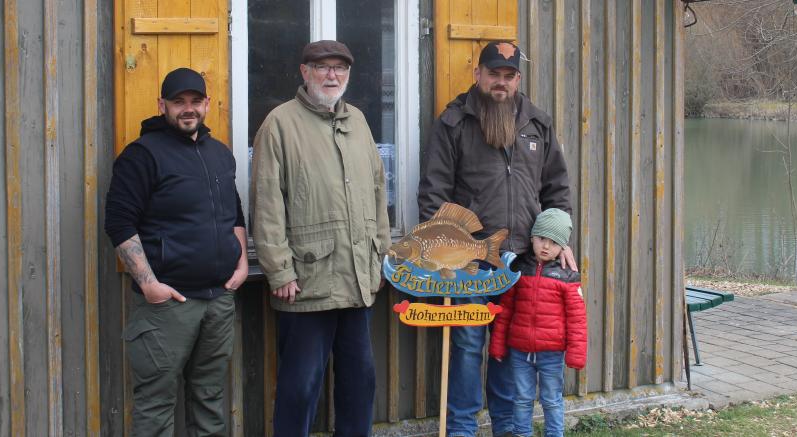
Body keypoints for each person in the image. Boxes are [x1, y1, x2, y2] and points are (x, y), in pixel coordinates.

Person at [418, 40, 574, 437]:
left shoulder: (537, 123)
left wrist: (559, 238)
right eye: (493, 75)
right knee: (468, 348)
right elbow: (433, 194)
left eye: (508, 76)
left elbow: (556, 189)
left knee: (511, 350)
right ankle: (461, 430)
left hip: (523, 260)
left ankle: (507, 428)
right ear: (478, 74)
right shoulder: (453, 123)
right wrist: (443, 254)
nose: (500, 84)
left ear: (517, 79)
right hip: (470, 265)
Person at [250, 40, 391, 437]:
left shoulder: (359, 121)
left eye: (340, 68)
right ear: (304, 72)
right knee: (300, 386)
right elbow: (266, 203)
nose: (332, 75)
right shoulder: (280, 123)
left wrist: (381, 257)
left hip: (357, 279)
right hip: (306, 282)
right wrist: (279, 270)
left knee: (360, 381)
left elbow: (379, 194)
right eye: (323, 67)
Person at [104, 67, 247, 436]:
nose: (188, 109)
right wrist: (150, 285)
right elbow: (119, 223)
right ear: (162, 105)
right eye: (178, 102)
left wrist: (242, 263)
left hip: (218, 299)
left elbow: (235, 212)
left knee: (210, 398)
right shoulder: (141, 155)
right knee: (155, 402)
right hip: (168, 304)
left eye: (195, 101)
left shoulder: (219, 154)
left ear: (207, 104)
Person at [489, 209, 587, 437]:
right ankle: (522, 434)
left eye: (554, 243)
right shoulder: (519, 271)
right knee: (522, 399)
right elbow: (505, 312)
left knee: (551, 399)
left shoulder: (567, 276)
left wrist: (576, 353)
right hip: (519, 352)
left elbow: (577, 319)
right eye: (542, 238)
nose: (546, 246)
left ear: (563, 247)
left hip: (551, 353)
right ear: (532, 237)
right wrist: (498, 344)